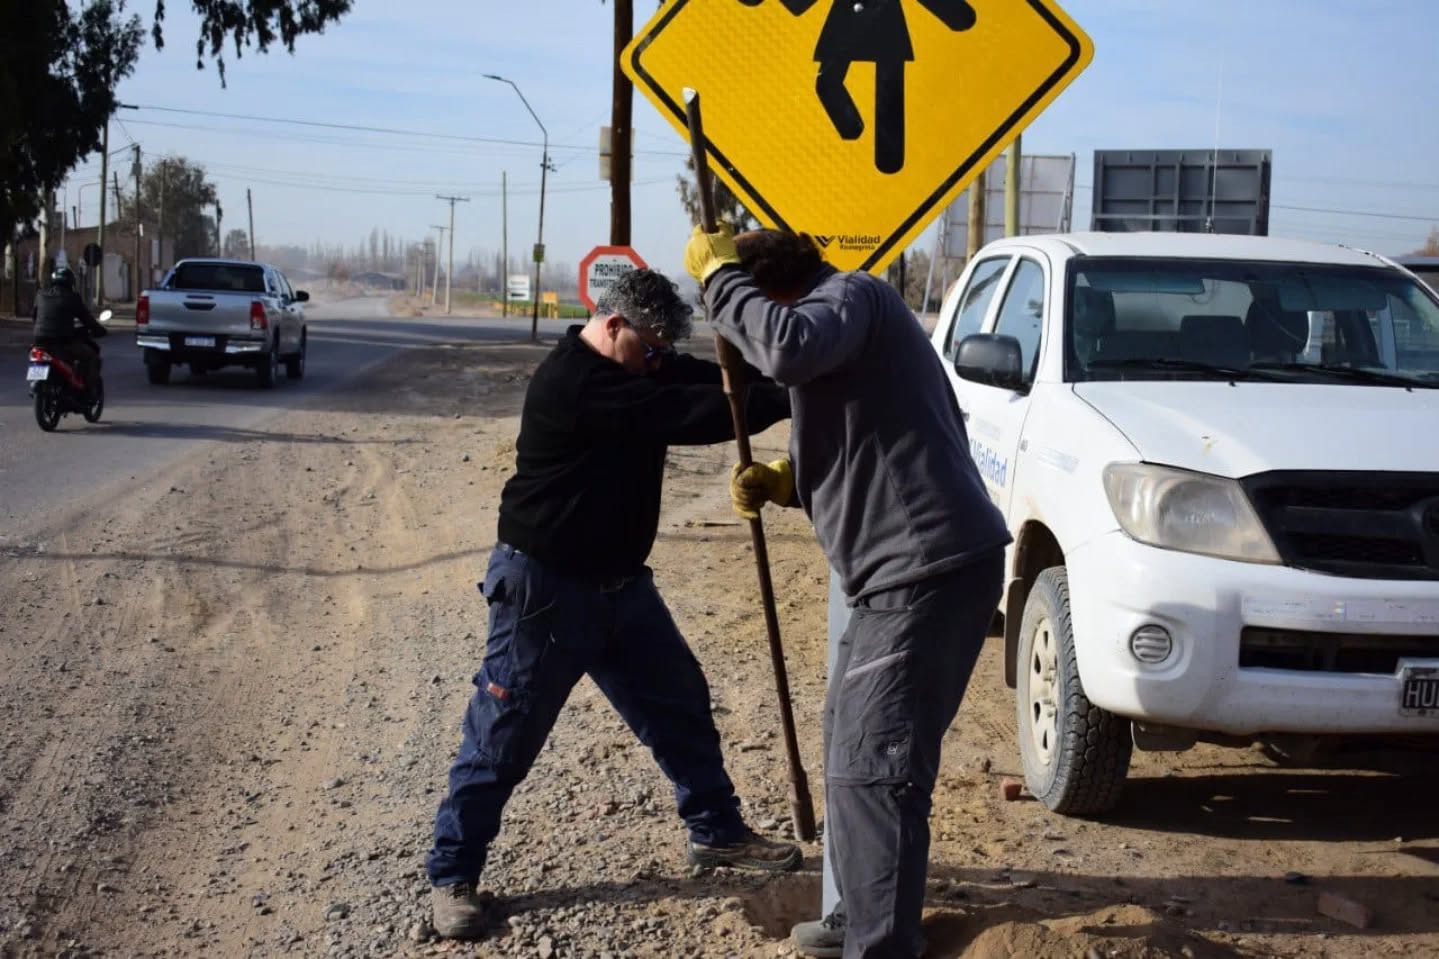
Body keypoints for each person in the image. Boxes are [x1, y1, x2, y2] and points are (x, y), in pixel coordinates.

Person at [425, 267, 802, 941]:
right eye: (651, 348)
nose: (658, 361)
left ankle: (715, 832)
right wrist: (781, 403)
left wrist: (781, 371)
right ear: (613, 324)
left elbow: (698, 378)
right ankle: (453, 874)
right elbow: (685, 413)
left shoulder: (639, 366)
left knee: (679, 703)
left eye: (663, 352)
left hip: (621, 585)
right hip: (544, 589)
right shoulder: (576, 384)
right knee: (502, 734)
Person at [683, 226, 1012, 959]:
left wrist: (719, 281)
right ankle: (859, 917)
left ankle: (880, 944)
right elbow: (866, 437)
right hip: (898, 575)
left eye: (748, 309)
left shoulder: (849, 296)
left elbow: (786, 347)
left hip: (923, 572)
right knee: (852, 744)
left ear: (772, 290)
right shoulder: (839, 327)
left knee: (878, 764)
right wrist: (786, 480)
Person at [32, 266, 106, 396]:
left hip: (39, 341)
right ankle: (88, 391)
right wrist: (99, 330)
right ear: (71, 282)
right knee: (91, 357)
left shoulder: (40, 294)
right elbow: (87, 319)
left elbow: (35, 316)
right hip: (63, 342)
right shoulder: (72, 297)